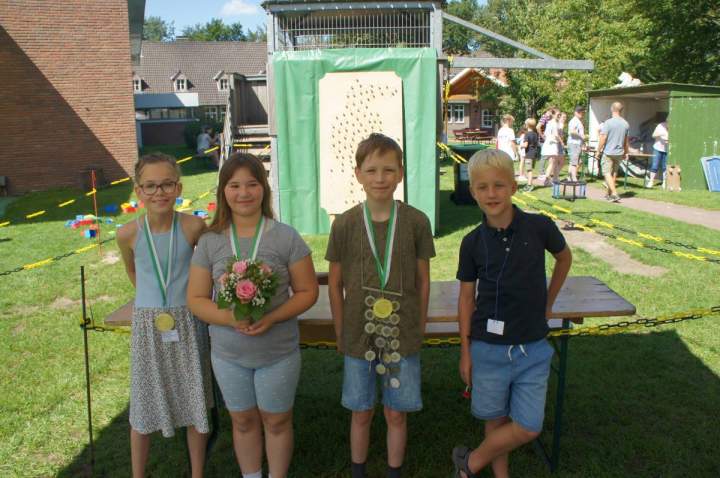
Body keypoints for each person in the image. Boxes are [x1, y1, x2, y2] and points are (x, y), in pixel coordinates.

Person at [187, 153, 319, 478]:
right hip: (229, 354)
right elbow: (196, 299)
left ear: (264, 189)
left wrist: (273, 317)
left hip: (277, 352)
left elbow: (308, 292)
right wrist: (231, 319)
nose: (243, 193)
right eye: (234, 185)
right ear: (223, 191)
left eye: (251, 184)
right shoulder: (210, 241)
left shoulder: (285, 236)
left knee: (276, 421)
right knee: (243, 421)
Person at [451, 149, 572, 478]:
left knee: (528, 426)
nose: (492, 194)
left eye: (499, 185)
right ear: (473, 192)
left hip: (532, 347)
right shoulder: (472, 242)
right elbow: (465, 299)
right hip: (487, 348)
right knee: (495, 419)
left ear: (514, 187)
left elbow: (564, 258)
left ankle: (471, 462)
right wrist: (466, 352)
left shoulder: (539, 227)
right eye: (483, 187)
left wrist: (549, 302)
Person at [326, 133, 435, 478]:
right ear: (357, 173)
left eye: (388, 170)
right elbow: (335, 283)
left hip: (402, 335)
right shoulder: (344, 223)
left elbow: (423, 280)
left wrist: (419, 326)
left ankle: (394, 471)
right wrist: (341, 329)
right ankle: (358, 470)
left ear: (401, 173)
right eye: (371, 170)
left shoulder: (417, 221)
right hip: (359, 335)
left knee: (396, 412)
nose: (380, 178)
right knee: (360, 410)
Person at [116, 152, 213, 478]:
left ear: (178, 187)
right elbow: (134, 272)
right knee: (142, 403)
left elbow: (210, 265)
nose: (159, 192)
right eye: (151, 186)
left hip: (187, 321)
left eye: (167, 184)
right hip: (148, 325)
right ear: (138, 191)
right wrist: (153, 302)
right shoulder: (127, 234)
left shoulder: (193, 226)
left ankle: (197, 472)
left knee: (194, 395)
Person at [596, 102, 630, 202]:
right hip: (619, 152)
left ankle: (614, 193)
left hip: (609, 152)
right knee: (614, 173)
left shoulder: (608, 123)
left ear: (612, 109)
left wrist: (598, 150)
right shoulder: (625, 124)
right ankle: (609, 194)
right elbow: (626, 141)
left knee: (606, 172)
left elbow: (603, 137)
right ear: (621, 110)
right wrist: (626, 152)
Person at [539, 110, 562, 185]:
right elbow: (556, 134)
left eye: (559, 115)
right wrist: (562, 142)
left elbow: (545, 134)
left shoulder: (549, 123)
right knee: (552, 162)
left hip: (549, 143)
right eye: (558, 115)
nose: (559, 116)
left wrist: (547, 139)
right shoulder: (554, 123)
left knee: (552, 162)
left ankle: (554, 179)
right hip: (552, 144)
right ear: (553, 115)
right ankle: (547, 179)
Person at [646, 119, 669, 188]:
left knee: (665, 166)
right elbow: (653, 135)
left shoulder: (673, 127)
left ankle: (664, 182)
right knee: (654, 165)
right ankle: (651, 182)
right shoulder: (660, 126)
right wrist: (660, 135)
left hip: (667, 149)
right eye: (668, 121)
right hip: (657, 148)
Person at [567, 106, 586, 182]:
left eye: (582, 112)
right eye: (579, 112)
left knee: (574, 161)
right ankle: (574, 178)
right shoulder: (574, 121)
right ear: (575, 112)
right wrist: (581, 136)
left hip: (577, 143)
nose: (581, 113)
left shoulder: (578, 121)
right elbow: (572, 132)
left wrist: (583, 141)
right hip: (574, 143)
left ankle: (570, 177)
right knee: (574, 162)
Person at [521, 118, 540, 192]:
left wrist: (520, 145)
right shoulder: (535, 134)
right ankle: (529, 184)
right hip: (534, 154)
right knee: (530, 170)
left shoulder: (527, 134)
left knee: (529, 171)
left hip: (529, 154)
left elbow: (525, 145)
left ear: (527, 125)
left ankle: (529, 185)